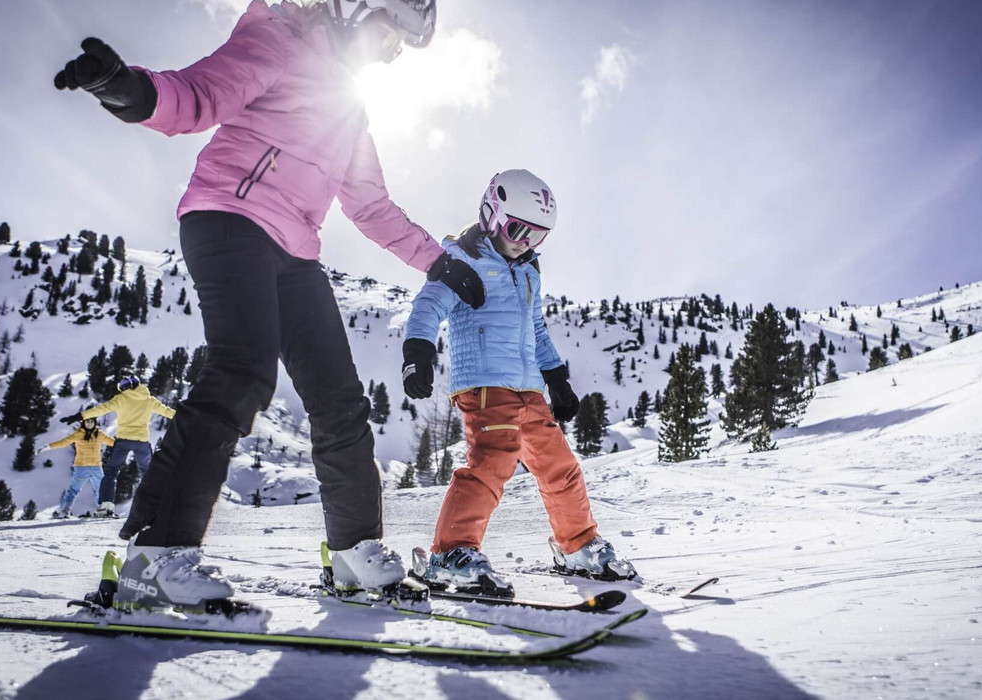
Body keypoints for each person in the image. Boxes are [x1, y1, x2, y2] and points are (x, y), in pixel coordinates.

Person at [54, 0, 485, 611]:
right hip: (228, 217)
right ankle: (154, 559)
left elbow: (371, 207)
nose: (388, 55)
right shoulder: (279, 41)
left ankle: (353, 555)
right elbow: (197, 95)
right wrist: (127, 90)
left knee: (339, 398)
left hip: (294, 252)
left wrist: (438, 262)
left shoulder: (350, 109)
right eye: (389, 36)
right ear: (355, 10)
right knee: (242, 371)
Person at [401, 169, 636, 595]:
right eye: (517, 228)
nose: (526, 241)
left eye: (538, 235)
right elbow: (428, 305)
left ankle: (577, 545)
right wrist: (418, 353)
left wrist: (557, 378)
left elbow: (538, 329)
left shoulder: (528, 271)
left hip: (529, 388)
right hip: (486, 384)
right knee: (492, 462)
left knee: (559, 467)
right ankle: (449, 553)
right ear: (491, 213)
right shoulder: (461, 261)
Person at [59, 376, 176, 517]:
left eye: (124, 385)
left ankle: (105, 507)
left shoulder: (121, 399)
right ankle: (152, 506)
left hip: (123, 441)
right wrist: (190, 417)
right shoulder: (149, 400)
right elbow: (169, 412)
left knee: (111, 472)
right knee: (147, 473)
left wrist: (79, 416)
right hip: (141, 442)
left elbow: (102, 409)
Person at [39, 416, 116, 519]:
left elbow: (112, 442)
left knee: (101, 490)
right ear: (83, 423)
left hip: (96, 467)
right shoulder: (78, 434)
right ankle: (64, 510)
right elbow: (64, 442)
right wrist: (48, 447)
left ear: (95, 422)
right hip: (81, 467)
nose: (89, 423)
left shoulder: (99, 434)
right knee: (74, 490)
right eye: (87, 421)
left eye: (91, 421)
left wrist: (127, 444)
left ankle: (102, 511)